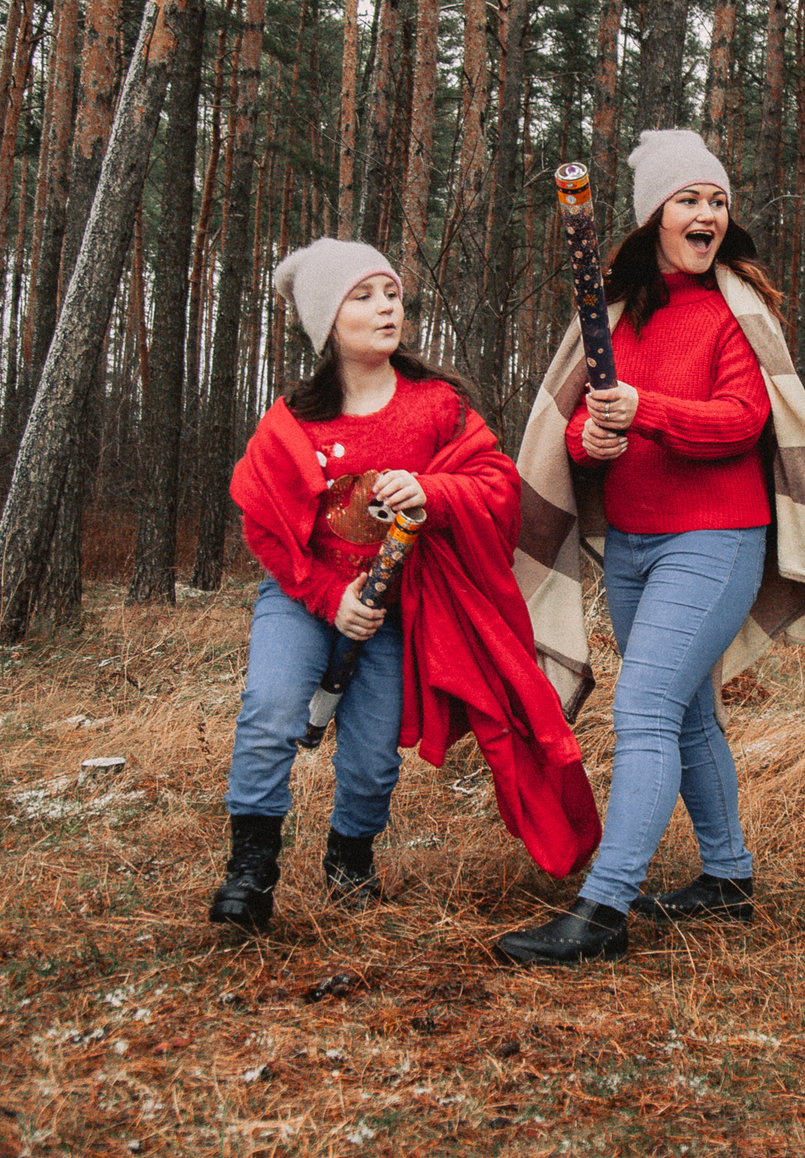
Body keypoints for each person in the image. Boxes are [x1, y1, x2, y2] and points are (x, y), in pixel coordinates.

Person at [496, 131, 805, 966]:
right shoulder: (614, 318)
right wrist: (597, 439)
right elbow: (581, 430)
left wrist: (645, 408)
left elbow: (744, 421)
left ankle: (605, 910)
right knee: (689, 714)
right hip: (632, 546)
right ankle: (727, 878)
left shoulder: (736, 311)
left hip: (716, 539)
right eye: (689, 200)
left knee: (646, 708)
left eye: (718, 201)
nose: (707, 214)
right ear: (654, 216)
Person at [213, 239, 600, 934]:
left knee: (370, 757)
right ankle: (251, 871)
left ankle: (349, 857)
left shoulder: (435, 407)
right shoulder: (295, 421)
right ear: (329, 321)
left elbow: (497, 490)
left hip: (399, 611)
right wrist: (330, 601)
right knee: (270, 712)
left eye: (390, 292)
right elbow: (263, 528)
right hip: (303, 598)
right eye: (363, 296)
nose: (385, 306)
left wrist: (430, 488)